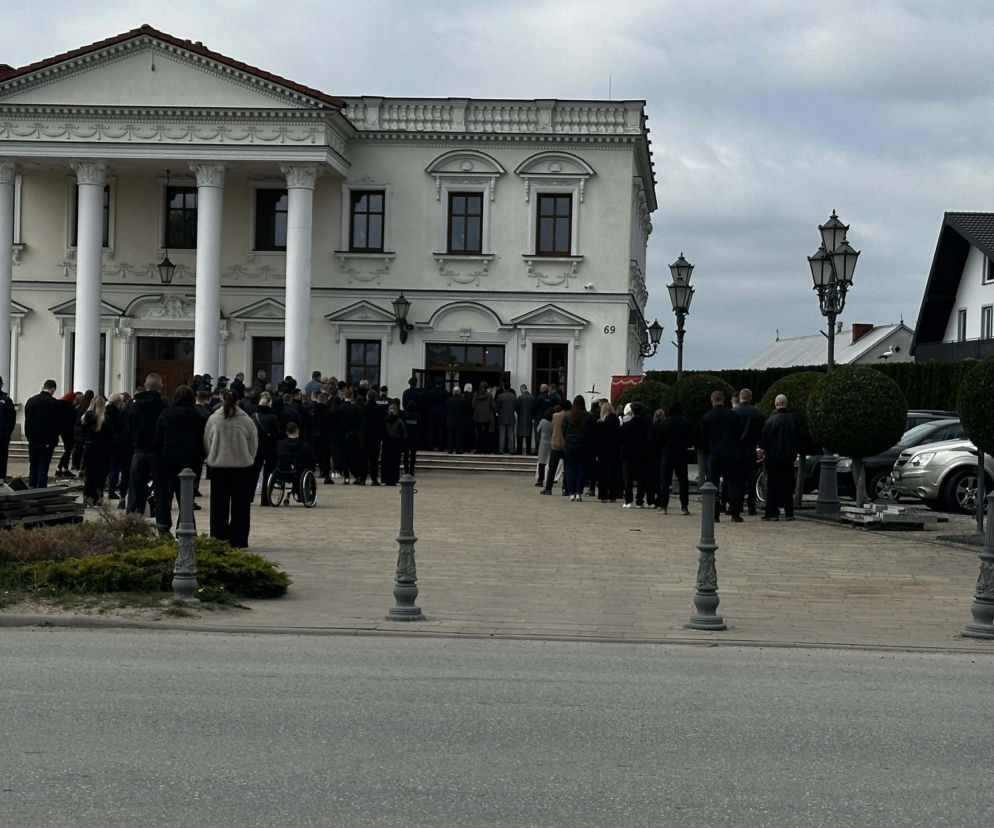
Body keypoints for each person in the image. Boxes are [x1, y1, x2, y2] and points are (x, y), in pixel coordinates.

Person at [204, 391, 258, 549]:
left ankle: (218, 537)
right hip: (241, 467)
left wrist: (212, 456)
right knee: (241, 506)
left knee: (218, 505)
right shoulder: (246, 421)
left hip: (219, 467)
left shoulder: (214, 419)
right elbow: (253, 444)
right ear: (239, 401)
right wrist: (249, 457)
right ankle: (239, 539)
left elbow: (207, 442)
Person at [152, 385, 206, 533]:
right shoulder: (197, 415)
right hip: (190, 461)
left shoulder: (166, 413)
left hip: (167, 459)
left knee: (164, 497)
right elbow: (202, 440)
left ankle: (163, 527)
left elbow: (157, 438)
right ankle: (186, 526)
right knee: (186, 498)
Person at [126, 373, 166, 517]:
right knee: (160, 492)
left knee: (135, 490)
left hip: (139, 449)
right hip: (157, 452)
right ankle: (162, 527)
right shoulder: (163, 406)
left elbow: (129, 427)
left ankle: (131, 523)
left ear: (145, 386)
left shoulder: (134, 406)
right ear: (160, 387)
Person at [701, 389, 743, 522]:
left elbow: (703, 438)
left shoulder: (707, 417)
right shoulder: (733, 415)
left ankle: (715, 514)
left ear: (712, 400)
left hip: (715, 454)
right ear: (723, 400)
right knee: (733, 483)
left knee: (712, 484)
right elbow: (738, 433)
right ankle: (735, 513)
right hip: (730, 453)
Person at [760, 393, 799, 521]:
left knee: (772, 485)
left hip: (772, 457)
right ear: (786, 404)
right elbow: (796, 439)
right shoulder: (792, 420)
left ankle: (772, 513)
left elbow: (763, 441)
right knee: (788, 485)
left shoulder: (770, 421)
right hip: (788, 457)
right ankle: (789, 513)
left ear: (776, 404)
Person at [656, 401, 693, 515]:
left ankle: (664, 506)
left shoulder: (665, 423)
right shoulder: (685, 422)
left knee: (665, 481)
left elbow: (660, 439)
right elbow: (690, 439)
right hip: (681, 454)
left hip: (667, 454)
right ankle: (684, 507)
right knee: (683, 481)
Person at [24, 379, 61, 488]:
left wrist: (29, 436)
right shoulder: (55, 403)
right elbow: (57, 424)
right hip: (48, 441)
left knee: (33, 465)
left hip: (33, 440)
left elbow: (28, 421)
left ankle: (31, 486)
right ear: (53, 389)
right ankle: (41, 488)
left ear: (43, 387)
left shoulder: (31, 401)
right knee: (43, 466)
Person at [735, 388, 765, 516]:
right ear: (751, 398)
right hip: (751, 448)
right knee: (751, 479)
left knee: (738, 479)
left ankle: (738, 504)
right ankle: (751, 505)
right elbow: (762, 432)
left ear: (740, 397)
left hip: (737, 449)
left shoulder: (734, 412)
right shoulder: (757, 413)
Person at [80, 395, 114, 507]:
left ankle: (87, 496)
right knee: (101, 474)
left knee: (89, 473)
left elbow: (82, 433)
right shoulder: (106, 419)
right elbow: (110, 435)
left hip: (89, 448)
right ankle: (98, 496)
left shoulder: (86, 417)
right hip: (102, 449)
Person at [250, 392, 281, 505]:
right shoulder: (273, 418)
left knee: (254, 472)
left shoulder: (253, 416)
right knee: (268, 473)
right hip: (270, 448)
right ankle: (265, 498)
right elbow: (278, 433)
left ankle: (249, 496)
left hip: (256, 447)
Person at [563, 395, 593, 502]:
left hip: (570, 445)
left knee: (570, 469)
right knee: (581, 469)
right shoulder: (588, 416)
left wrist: (567, 440)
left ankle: (571, 492)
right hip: (583, 445)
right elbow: (592, 432)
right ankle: (578, 493)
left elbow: (563, 430)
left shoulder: (567, 415)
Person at [275, 421, 316, 500]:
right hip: (298, 472)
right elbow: (311, 458)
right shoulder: (304, 445)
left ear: (286, 432)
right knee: (306, 467)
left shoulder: (280, 444)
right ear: (297, 430)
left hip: (282, 471)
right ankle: (303, 494)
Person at [620, 401, 650, 508]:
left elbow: (621, 440)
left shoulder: (626, 425)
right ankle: (639, 500)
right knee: (641, 478)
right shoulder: (646, 426)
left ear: (631, 411)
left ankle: (628, 500)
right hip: (642, 454)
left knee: (628, 478)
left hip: (628, 454)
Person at [595, 401, 623, 503]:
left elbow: (599, 438)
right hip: (615, 450)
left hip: (604, 451)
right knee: (614, 473)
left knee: (604, 474)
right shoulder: (616, 421)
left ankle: (603, 495)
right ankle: (613, 495)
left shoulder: (603, 423)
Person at [359, 388, 384, 484]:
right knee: (374, 460)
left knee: (363, 460)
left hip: (364, 437)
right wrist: (381, 436)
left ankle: (362, 479)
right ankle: (374, 479)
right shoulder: (379, 409)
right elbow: (382, 424)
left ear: (367, 397)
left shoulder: (362, 408)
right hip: (375, 438)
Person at [541, 403, 567, 495]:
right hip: (566, 445)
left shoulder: (555, 416)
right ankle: (565, 489)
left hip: (556, 444)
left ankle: (548, 488)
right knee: (567, 468)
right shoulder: (569, 416)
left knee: (552, 468)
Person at [381, 403, 407, 486]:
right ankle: (394, 479)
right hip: (396, 442)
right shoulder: (399, 421)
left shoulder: (385, 420)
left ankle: (385, 478)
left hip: (387, 442)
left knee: (386, 462)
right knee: (395, 462)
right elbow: (404, 433)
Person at [472, 381, 496, 453]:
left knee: (479, 433)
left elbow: (473, 406)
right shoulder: (489, 395)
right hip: (487, 416)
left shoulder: (476, 395)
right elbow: (493, 406)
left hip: (477, 416)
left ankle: (479, 449)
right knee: (486, 433)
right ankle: (486, 449)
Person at [0, 377, 16, 480]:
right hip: (3, 435)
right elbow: (11, 420)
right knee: (2, 459)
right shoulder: (7, 400)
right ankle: (1, 479)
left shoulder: (6, 400)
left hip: (3, 435)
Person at [515, 384, 536, 455]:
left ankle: (519, 451)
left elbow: (516, 408)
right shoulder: (532, 398)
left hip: (521, 419)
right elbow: (534, 409)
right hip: (529, 419)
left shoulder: (520, 398)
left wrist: (519, 414)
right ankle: (528, 451)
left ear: (522, 389)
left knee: (519, 437)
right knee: (528, 437)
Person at [535, 407, 554, 486]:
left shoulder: (543, 421)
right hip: (551, 443)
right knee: (550, 463)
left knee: (541, 463)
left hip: (543, 443)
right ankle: (550, 480)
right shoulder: (553, 422)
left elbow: (538, 429)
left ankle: (540, 480)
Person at [496, 384, 517, 454]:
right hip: (511, 417)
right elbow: (516, 407)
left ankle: (501, 450)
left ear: (504, 387)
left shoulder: (500, 396)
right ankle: (512, 450)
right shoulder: (514, 396)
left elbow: (497, 407)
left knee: (502, 435)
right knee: (511, 434)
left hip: (502, 417)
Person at [402, 401, 420, 475]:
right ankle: (411, 470)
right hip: (414, 436)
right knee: (413, 454)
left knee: (405, 454)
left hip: (406, 436)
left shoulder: (404, 415)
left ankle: (406, 470)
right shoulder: (417, 416)